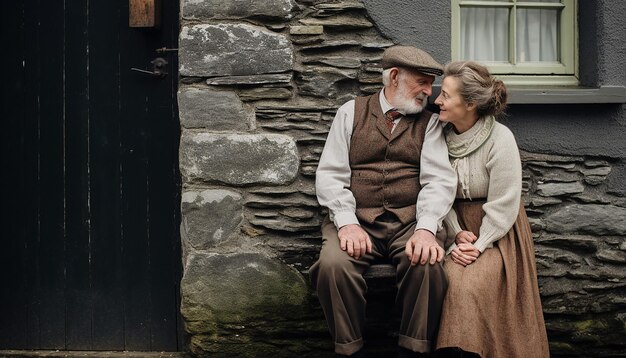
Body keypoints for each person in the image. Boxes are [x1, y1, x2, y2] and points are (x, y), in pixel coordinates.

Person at [309, 45, 457, 358]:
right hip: (356, 219)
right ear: (393, 77)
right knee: (332, 266)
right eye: (422, 82)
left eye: (431, 84)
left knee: (428, 263)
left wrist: (427, 229)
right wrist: (347, 223)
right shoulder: (350, 113)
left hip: (410, 222)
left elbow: (438, 181)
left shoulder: (430, 123)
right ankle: (350, 349)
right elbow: (330, 175)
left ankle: (413, 348)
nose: (429, 92)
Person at [432, 61, 549, 358]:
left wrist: (479, 244)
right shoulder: (437, 137)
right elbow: (436, 190)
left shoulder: (500, 139)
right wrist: (457, 234)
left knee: (466, 285)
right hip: (451, 228)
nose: (437, 101)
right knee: (445, 279)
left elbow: (505, 201)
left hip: (499, 235)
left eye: (445, 95)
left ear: (470, 103)